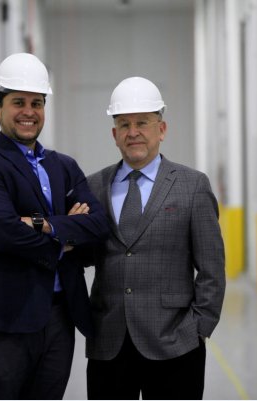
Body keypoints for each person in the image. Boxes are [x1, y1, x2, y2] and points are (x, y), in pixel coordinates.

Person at [0, 52, 109, 400]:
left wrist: (42, 224)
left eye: (37, 103)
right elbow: (6, 233)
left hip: (59, 316)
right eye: (18, 102)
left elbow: (98, 225)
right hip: (3, 320)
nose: (29, 111)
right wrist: (67, 234)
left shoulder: (64, 166)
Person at [85, 76, 226, 400]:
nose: (133, 132)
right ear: (114, 134)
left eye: (142, 123)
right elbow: (82, 255)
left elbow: (212, 268)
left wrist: (199, 328)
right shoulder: (94, 187)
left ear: (161, 129)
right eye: (124, 124)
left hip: (176, 344)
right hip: (109, 344)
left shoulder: (192, 186)